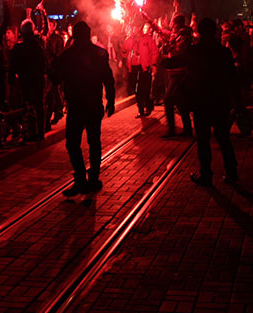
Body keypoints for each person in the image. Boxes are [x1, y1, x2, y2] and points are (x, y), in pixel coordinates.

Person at [163, 18, 239, 186]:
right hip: (220, 101)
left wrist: (163, 61)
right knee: (223, 137)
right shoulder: (223, 52)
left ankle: (206, 174)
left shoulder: (195, 51)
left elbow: (177, 60)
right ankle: (231, 172)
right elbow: (233, 79)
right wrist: (238, 102)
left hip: (202, 101)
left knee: (203, 140)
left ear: (201, 32)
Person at [51, 21, 115, 196]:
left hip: (77, 105)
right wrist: (111, 99)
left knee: (72, 144)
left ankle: (80, 179)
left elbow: (56, 78)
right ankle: (93, 179)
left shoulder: (68, 55)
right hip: (94, 104)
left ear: (74, 35)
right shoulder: (100, 53)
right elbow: (108, 79)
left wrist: (53, 66)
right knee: (94, 142)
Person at [9, 20, 48, 141]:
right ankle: (40, 131)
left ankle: (28, 131)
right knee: (38, 105)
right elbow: (44, 64)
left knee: (27, 104)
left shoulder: (18, 48)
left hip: (25, 80)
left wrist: (12, 78)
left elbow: (12, 65)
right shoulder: (38, 46)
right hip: (37, 80)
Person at [123, 23, 157, 117]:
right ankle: (141, 109)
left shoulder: (148, 39)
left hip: (144, 67)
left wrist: (153, 64)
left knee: (144, 89)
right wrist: (124, 52)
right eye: (132, 28)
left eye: (135, 27)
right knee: (137, 89)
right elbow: (124, 53)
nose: (134, 30)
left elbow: (154, 52)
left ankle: (148, 106)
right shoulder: (129, 40)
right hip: (133, 67)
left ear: (139, 28)